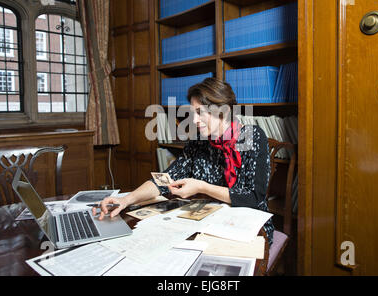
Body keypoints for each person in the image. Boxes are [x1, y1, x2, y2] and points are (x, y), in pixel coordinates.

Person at [93, 77, 275, 245]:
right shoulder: (199, 141)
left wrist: (202, 187)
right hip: (209, 221)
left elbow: (253, 198)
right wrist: (126, 199)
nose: (194, 120)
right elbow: (166, 178)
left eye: (200, 113)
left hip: (250, 226)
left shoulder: (251, 136)